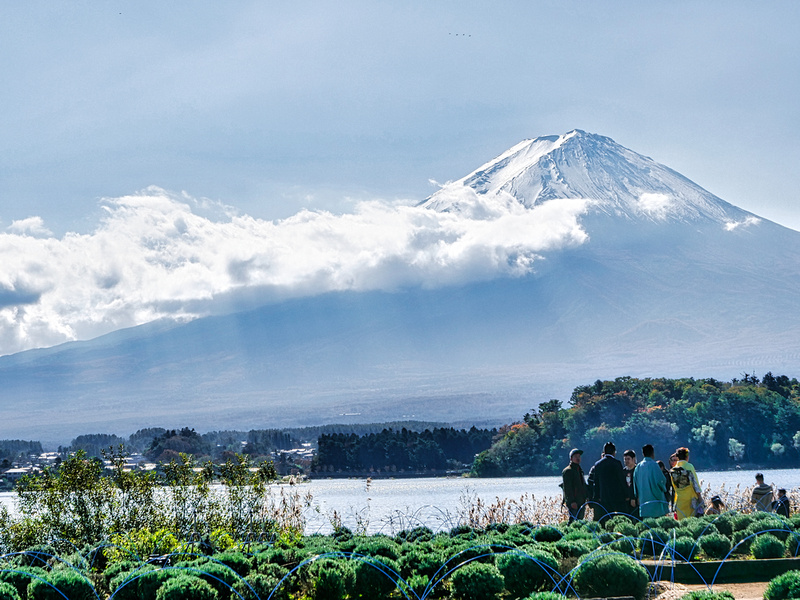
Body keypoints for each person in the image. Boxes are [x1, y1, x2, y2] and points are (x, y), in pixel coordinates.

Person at [587, 441, 627, 524]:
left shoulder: (598, 464)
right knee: (616, 520)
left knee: (605, 519)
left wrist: (596, 497)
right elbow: (622, 481)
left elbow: (596, 483)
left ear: (604, 452)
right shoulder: (617, 463)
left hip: (603, 497)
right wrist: (626, 495)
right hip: (617, 498)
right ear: (614, 452)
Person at [633, 444, 668, 518]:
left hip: (643, 501)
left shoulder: (638, 467)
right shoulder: (655, 465)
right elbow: (661, 480)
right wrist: (664, 489)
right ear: (653, 453)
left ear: (643, 454)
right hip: (655, 501)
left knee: (647, 525)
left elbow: (635, 483)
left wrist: (637, 496)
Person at [670, 447, 702, 520]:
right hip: (690, 500)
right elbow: (695, 483)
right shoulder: (689, 467)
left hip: (679, 500)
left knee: (681, 522)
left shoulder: (673, 470)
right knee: (691, 521)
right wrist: (700, 498)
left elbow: (674, 486)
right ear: (687, 456)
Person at [561, 448, 588, 522]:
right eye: (575, 456)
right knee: (572, 521)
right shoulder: (568, 471)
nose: (578, 458)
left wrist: (587, 496)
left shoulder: (579, 470)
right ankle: (568, 533)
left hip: (581, 500)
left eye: (579, 456)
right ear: (571, 458)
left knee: (580, 521)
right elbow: (567, 488)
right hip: (574, 502)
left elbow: (583, 485)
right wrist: (572, 501)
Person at [622, 449, 638, 517]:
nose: (626, 461)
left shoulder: (637, 470)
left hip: (636, 500)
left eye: (628, 459)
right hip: (625, 501)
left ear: (633, 459)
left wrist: (633, 498)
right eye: (625, 459)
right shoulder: (623, 471)